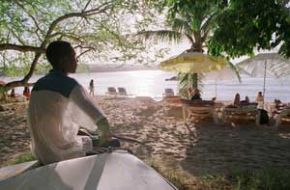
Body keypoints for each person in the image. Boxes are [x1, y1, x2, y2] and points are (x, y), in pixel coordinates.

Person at [28, 41, 117, 165]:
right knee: (115, 143)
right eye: (74, 57)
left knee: (89, 138)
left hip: (41, 151)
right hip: (59, 153)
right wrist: (105, 135)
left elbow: (53, 117)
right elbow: (101, 121)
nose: (77, 61)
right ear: (64, 60)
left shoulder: (38, 84)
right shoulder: (69, 84)